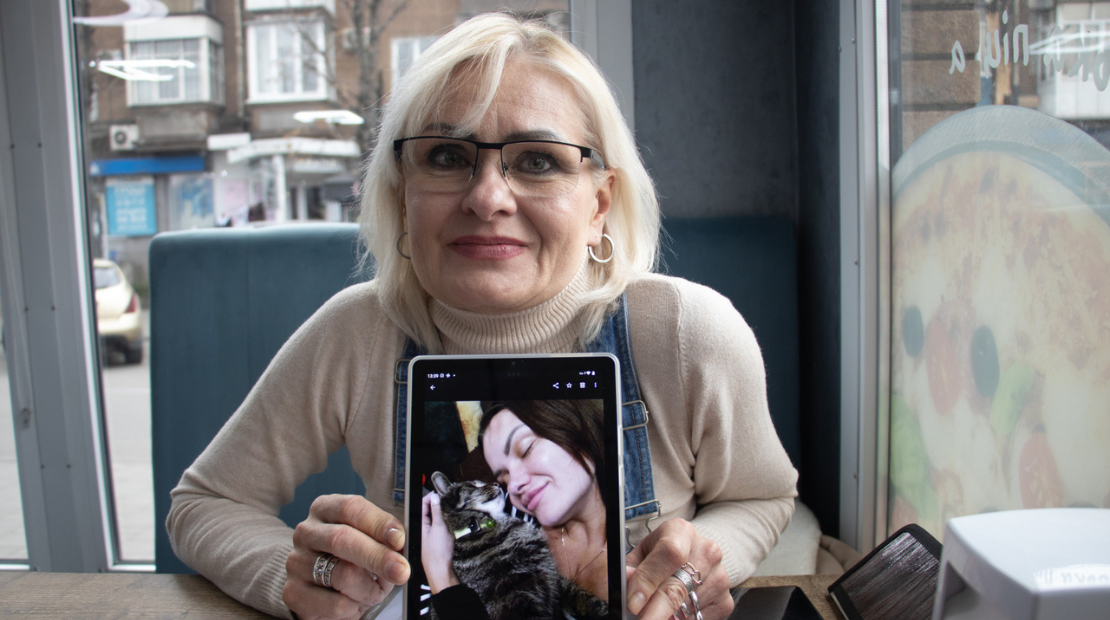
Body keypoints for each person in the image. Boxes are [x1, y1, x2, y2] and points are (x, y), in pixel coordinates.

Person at [167, 12, 798, 620]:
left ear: (599, 204)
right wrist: (295, 578)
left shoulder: (689, 333)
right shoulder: (356, 335)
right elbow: (203, 504)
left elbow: (761, 496)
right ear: (402, 195)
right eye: (446, 156)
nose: (487, 197)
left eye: (538, 160)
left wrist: (704, 566)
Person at [420, 400, 610, 617]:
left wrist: (444, 583)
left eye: (526, 449)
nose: (513, 485)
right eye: (503, 478)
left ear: (575, 428)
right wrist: (440, 573)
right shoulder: (503, 516)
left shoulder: (642, 546)